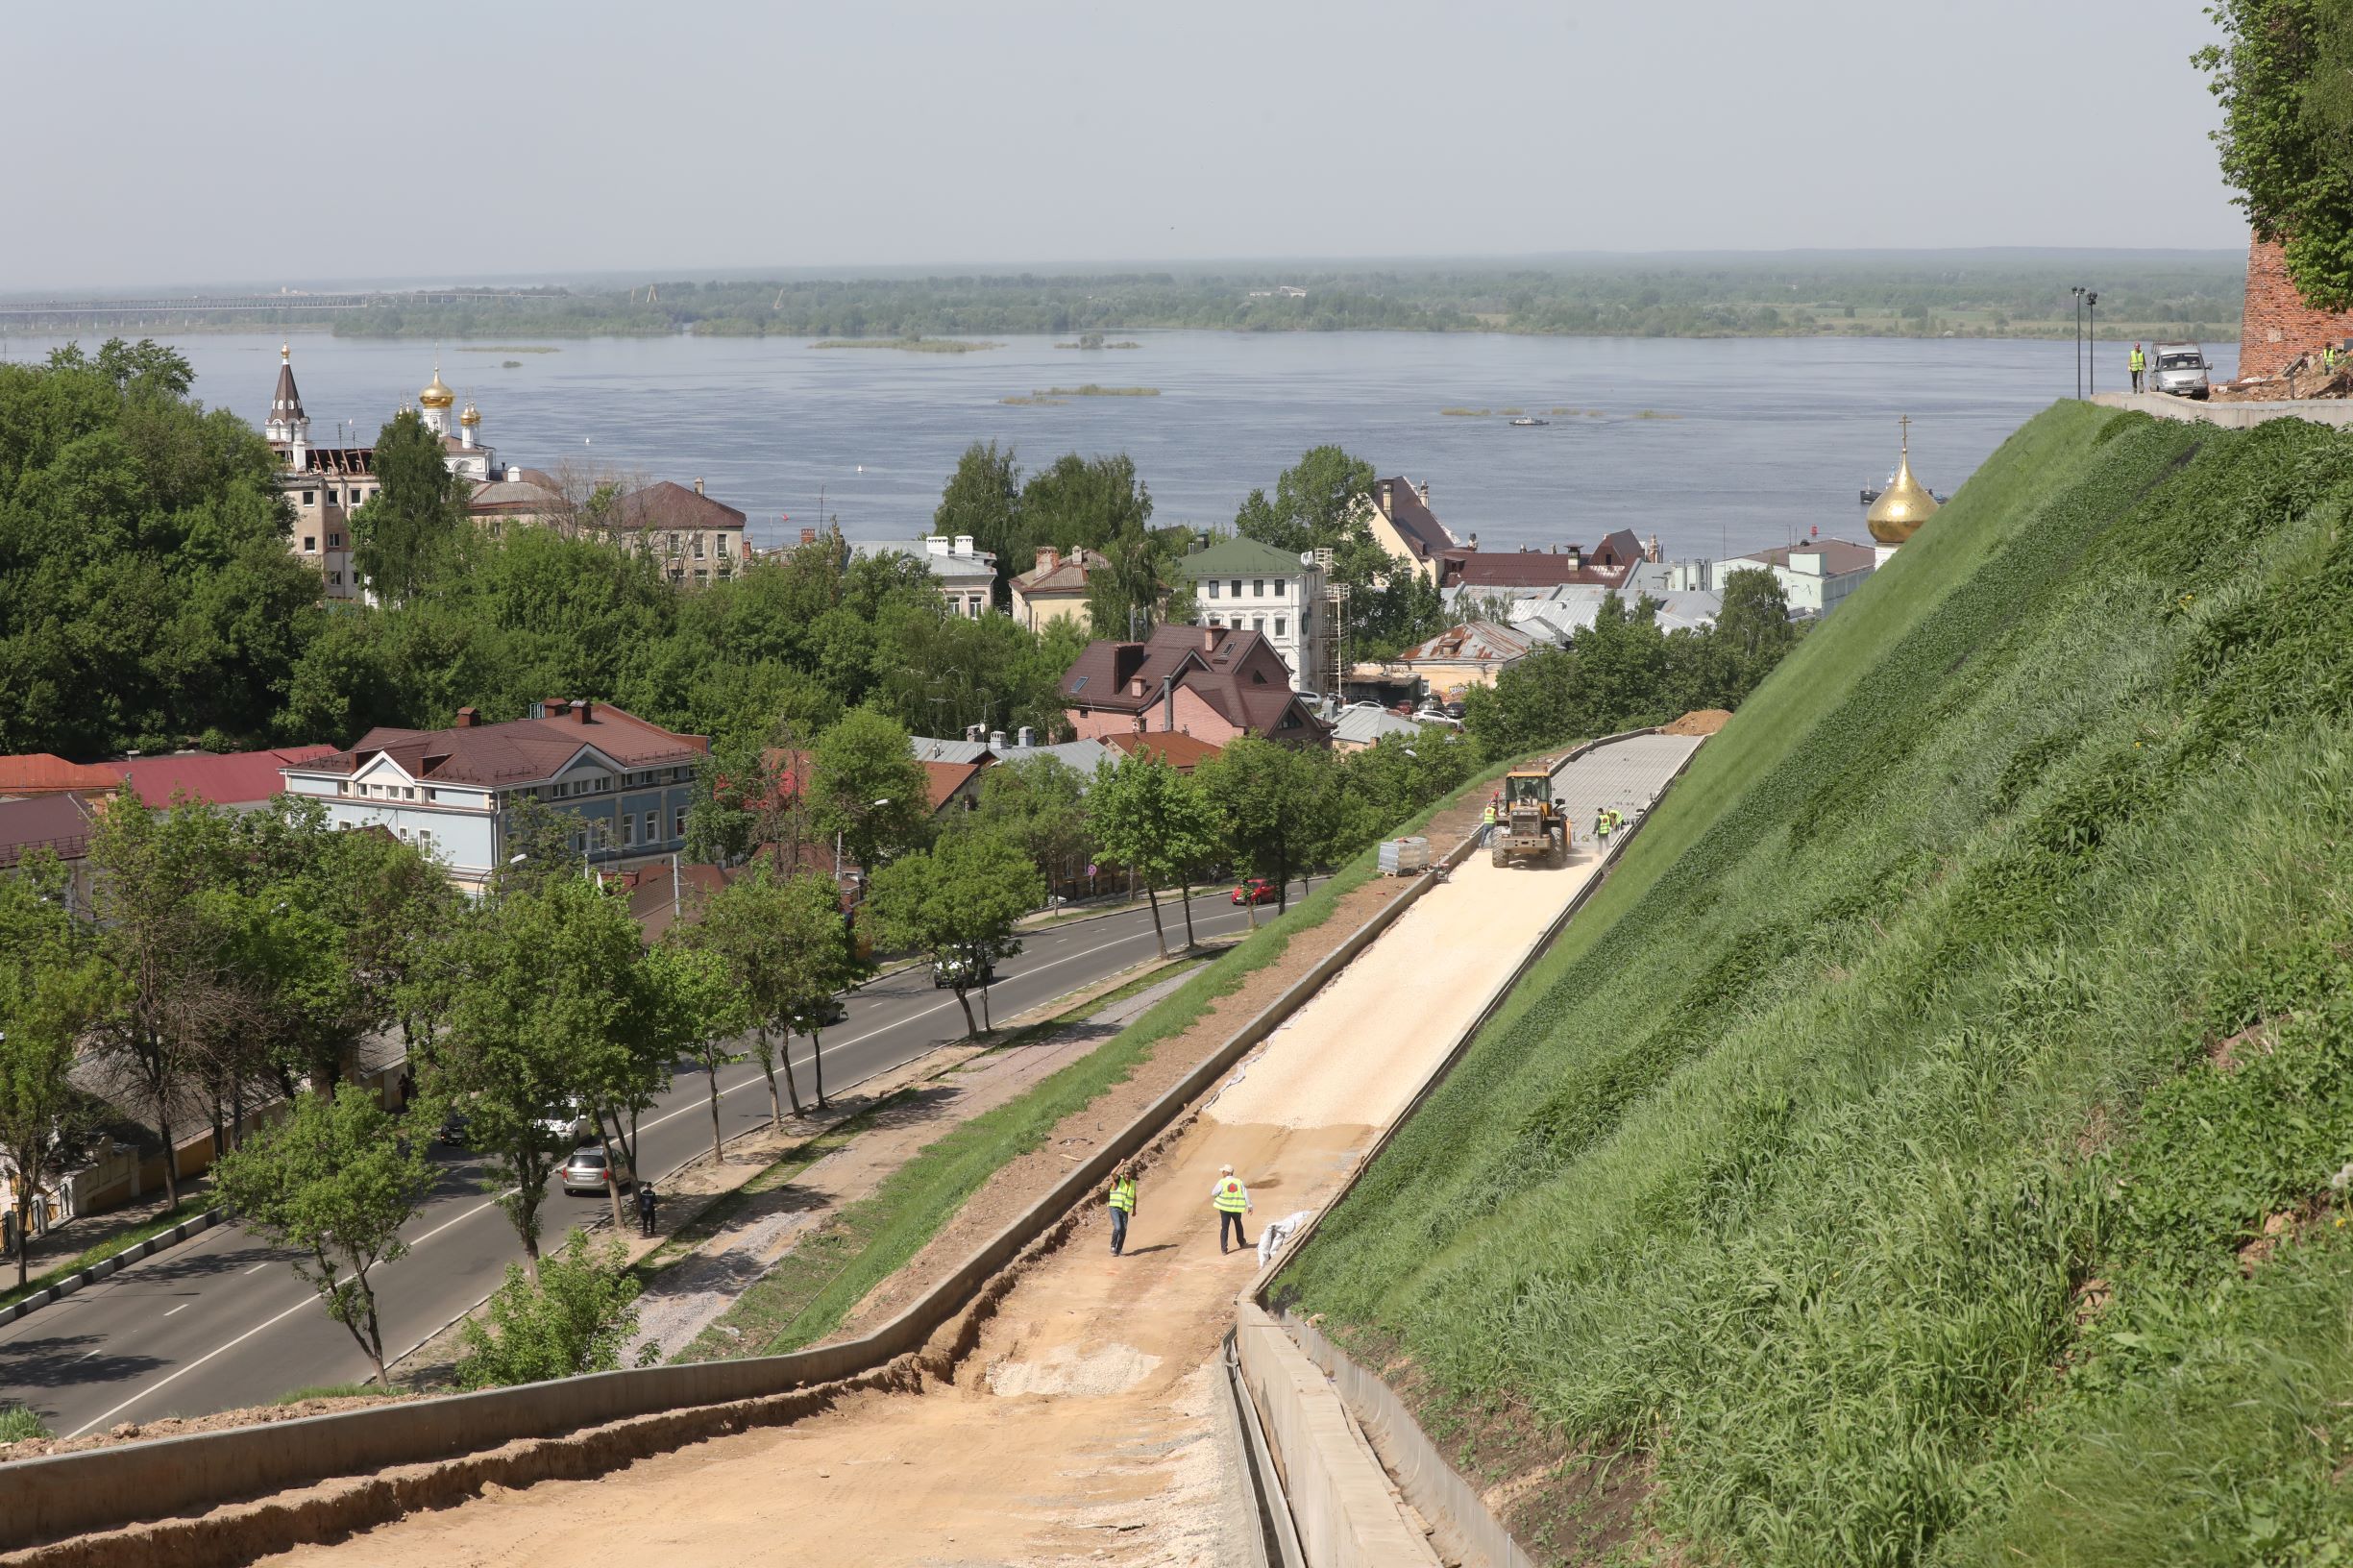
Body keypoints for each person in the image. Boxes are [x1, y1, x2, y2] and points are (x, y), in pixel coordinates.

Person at [1212, 1164, 1252, 1254]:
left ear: (1227, 1173)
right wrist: (1250, 1206)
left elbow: (1214, 1193)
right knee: (1238, 1224)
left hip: (1225, 1209)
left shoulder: (1222, 1182)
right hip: (1236, 1208)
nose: (1222, 1173)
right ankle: (1241, 1242)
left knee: (1224, 1228)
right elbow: (1246, 1193)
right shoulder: (1239, 1181)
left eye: (1223, 1171)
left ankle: (1224, 1249)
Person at [1107, 1162, 1139, 1257]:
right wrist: (1120, 1164)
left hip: (1125, 1210)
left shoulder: (1133, 1183)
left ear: (1132, 1174)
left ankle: (1118, 1249)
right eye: (1126, 1173)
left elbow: (1134, 1197)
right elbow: (1112, 1173)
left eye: (1129, 1173)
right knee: (1118, 1227)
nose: (1127, 1175)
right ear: (1123, 1173)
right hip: (1115, 1208)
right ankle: (1113, 1247)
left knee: (1123, 1231)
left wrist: (1134, 1209)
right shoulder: (1118, 1180)